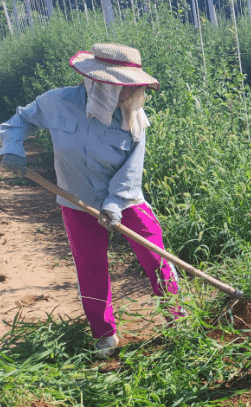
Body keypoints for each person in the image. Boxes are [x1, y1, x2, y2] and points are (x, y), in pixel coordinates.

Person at [1, 43, 181, 357]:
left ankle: (177, 322)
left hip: (126, 202)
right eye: (120, 85)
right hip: (77, 203)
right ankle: (105, 336)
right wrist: (13, 146)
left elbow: (132, 169)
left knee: (156, 259)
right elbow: (18, 121)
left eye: (132, 86)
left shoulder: (133, 115)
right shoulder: (57, 102)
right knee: (91, 269)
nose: (127, 93)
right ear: (95, 80)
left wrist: (113, 203)